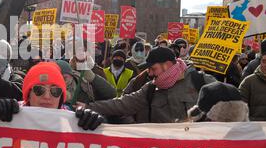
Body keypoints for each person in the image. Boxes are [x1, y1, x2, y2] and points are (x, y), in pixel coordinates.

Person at [85, 47, 217, 123]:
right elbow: (123, 104)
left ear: (167, 65)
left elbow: (229, 110)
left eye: (153, 69)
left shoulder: (201, 81)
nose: (150, 73)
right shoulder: (150, 88)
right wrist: (87, 107)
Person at [19, 62, 105, 130]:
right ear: (28, 95)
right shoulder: (14, 113)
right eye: (39, 90)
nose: (47, 96)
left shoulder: (73, 121)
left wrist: (93, 125)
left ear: (61, 97)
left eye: (55, 91)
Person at [239, 50, 266, 121]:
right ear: (260, 62)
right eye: (264, 61)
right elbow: (240, 109)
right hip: (256, 128)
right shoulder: (248, 82)